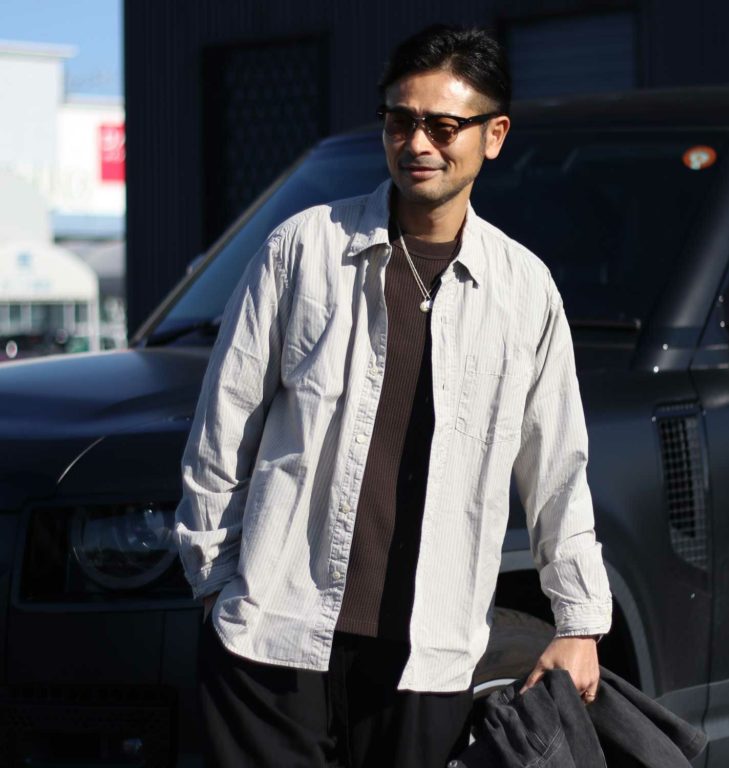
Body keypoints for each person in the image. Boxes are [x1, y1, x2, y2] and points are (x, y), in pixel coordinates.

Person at [174, 24, 613, 768]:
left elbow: (558, 473)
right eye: (400, 121)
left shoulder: (524, 291)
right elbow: (222, 430)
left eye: (443, 126)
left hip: (428, 656)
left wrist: (579, 622)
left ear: (494, 135)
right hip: (274, 640)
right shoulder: (304, 250)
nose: (417, 144)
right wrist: (216, 584)